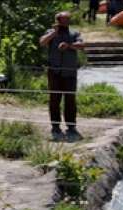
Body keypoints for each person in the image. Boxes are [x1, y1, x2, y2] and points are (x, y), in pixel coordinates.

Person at [39, 12, 85, 142]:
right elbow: (42, 42)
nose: (65, 22)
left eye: (67, 20)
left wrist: (69, 46)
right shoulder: (51, 32)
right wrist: (54, 33)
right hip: (54, 72)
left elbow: (81, 45)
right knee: (54, 99)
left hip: (70, 73)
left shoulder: (74, 33)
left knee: (70, 99)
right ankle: (55, 126)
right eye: (62, 20)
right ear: (57, 21)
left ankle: (71, 126)